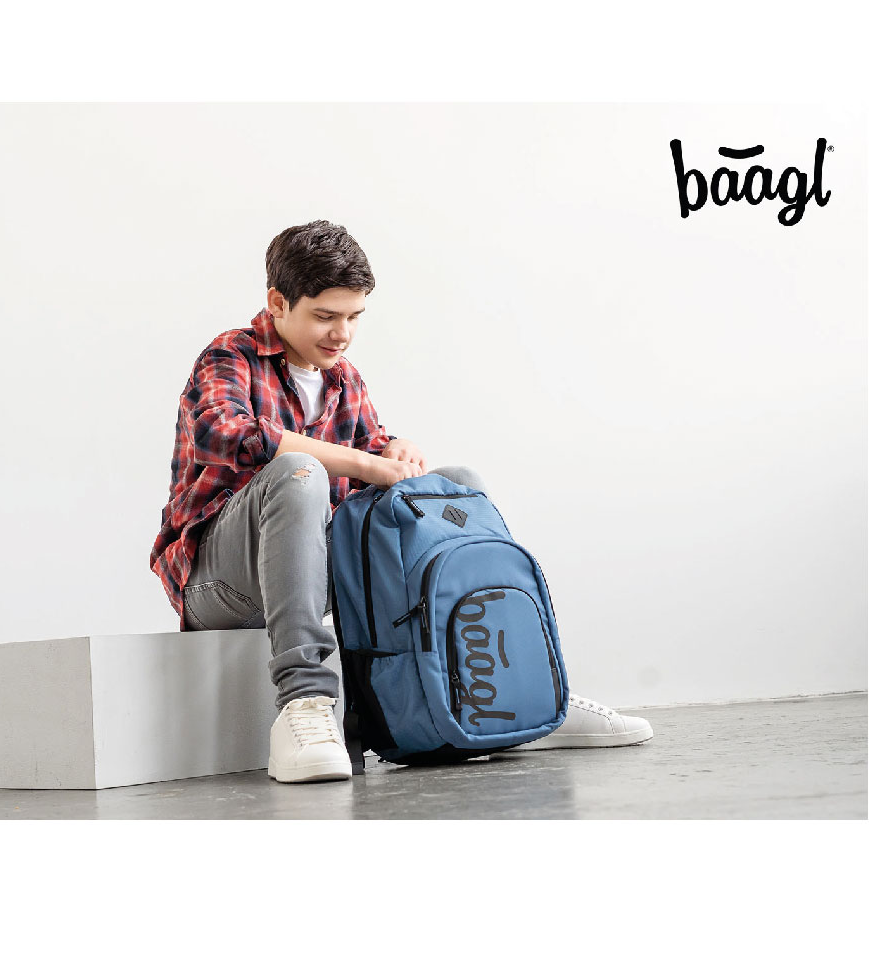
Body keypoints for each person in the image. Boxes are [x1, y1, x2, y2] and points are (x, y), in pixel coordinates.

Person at [150, 220, 653, 784]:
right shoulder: (231, 355)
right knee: (298, 472)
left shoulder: (343, 378)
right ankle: (304, 702)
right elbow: (226, 434)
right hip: (219, 586)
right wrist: (367, 464)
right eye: (325, 316)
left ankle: (521, 688)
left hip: (311, 572)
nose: (342, 333)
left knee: (456, 482)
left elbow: (370, 461)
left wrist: (392, 450)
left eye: (354, 317)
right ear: (278, 303)